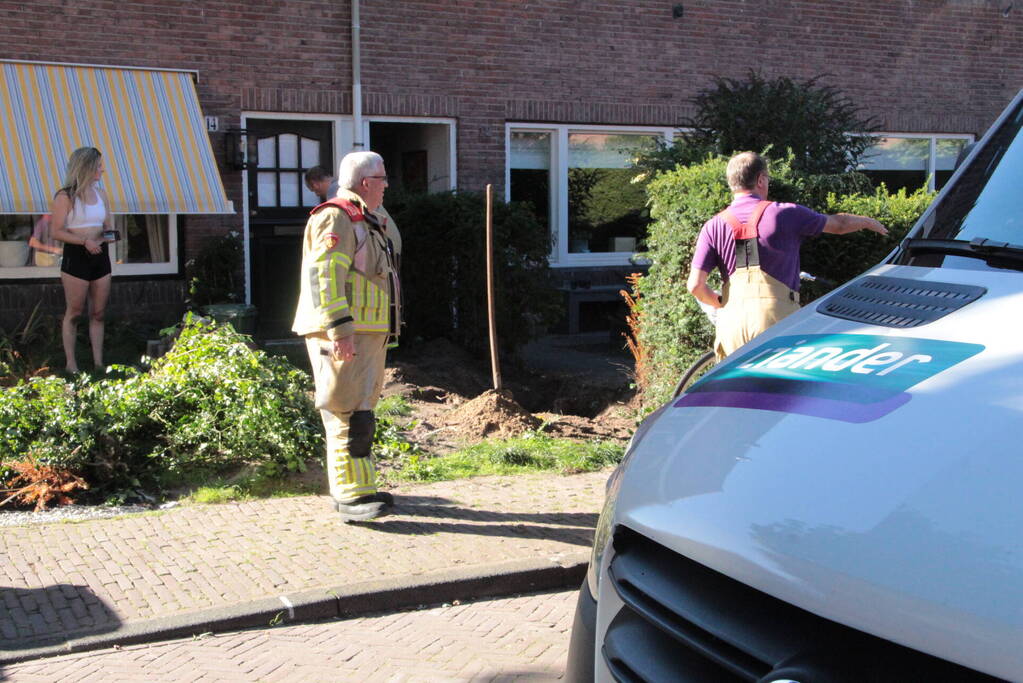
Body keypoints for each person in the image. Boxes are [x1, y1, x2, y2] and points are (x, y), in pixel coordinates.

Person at [687, 151, 888, 361]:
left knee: (739, 393)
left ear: (731, 183)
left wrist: (720, 303)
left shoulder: (713, 226)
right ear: (761, 180)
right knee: (780, 392)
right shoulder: (784, 213)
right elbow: (839, 225)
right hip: (775, 322)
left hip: (731, 325)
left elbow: (695, 286)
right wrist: (867, 221)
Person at [293, 151, 402, 522]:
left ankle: (362, 488)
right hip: (343, 332)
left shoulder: (367, 218)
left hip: (367, 332)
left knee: (362, 412)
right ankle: (349, 495)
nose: (388, 184)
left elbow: (392, 250)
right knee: (343, 410)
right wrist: (340, 330)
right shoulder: (336, 217)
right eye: (383, 178)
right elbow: (325, 276)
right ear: (366, 182)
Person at [48, 147, 116, 374]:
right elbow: (56, 232)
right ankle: (71, 365)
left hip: (100, 255)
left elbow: (108, 228)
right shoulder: (65, 196)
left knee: (98, 312)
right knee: (75, 312)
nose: (102, 170)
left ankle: (98, 363)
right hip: (76, 257)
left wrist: (109, 236)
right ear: (86, 167)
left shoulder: (102, 194)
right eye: (98, 166)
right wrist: (84, 241)